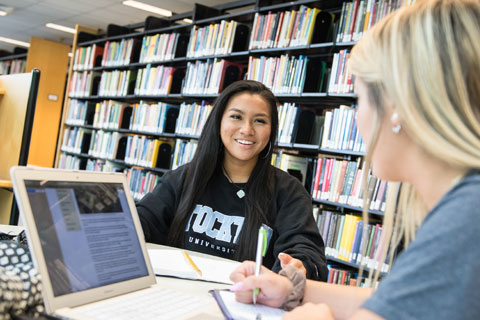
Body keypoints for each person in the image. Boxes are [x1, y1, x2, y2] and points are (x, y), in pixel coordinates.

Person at [229, 0, 480, 319]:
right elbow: (400, 301)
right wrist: (293, 292)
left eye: (358, 98)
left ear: (396, 104)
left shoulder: (466, 219)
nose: (357, 117)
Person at [136, 80, 328, 281]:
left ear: (271, 130)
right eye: (236, 117)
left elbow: (306, 251)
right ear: (219, 121)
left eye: (260, 121)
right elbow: (141, 222)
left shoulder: (288, 191)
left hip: (246, 303)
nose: (247, 130)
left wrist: (298, 266)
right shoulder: (184, 178)